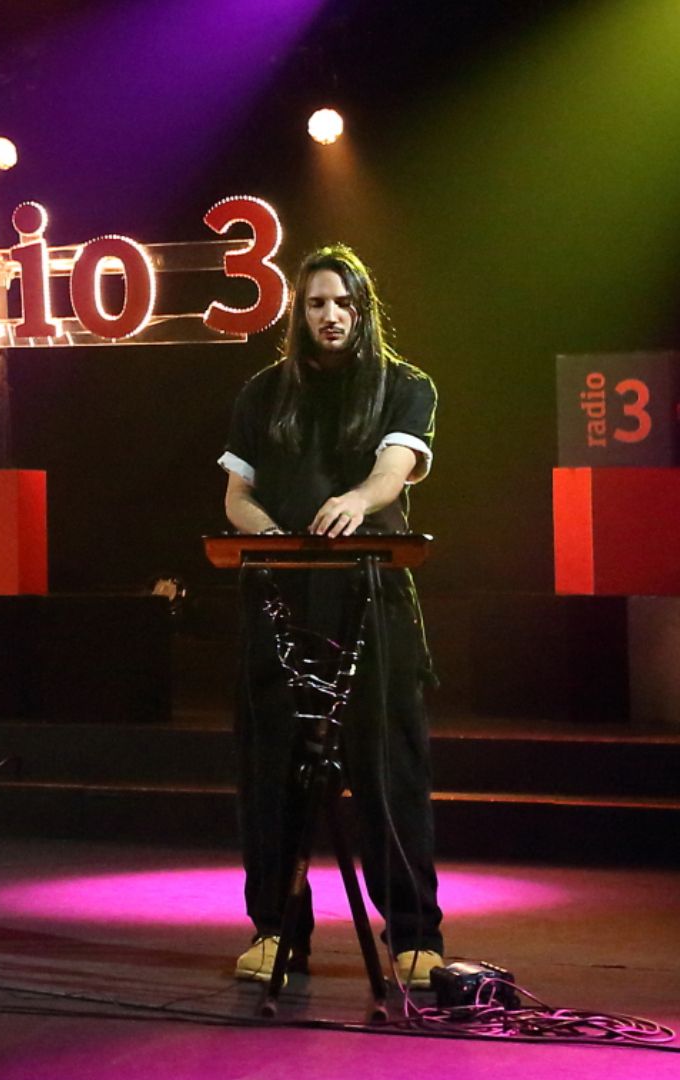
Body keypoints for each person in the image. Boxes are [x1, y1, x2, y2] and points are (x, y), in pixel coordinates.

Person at [217, 244, 446, 989]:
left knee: (388, 766)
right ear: (299, 313)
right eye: (317, 303)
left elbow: (393, 471)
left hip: (370, 594)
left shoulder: (404, 386)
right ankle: (276, 931)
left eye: (343, 302)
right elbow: (237, 497)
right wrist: (268, 535)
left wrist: (356, 502)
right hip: (279, 597)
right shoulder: (263, 393)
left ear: (363, 309)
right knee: (271, 768)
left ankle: (413, 935)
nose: (331, 315)